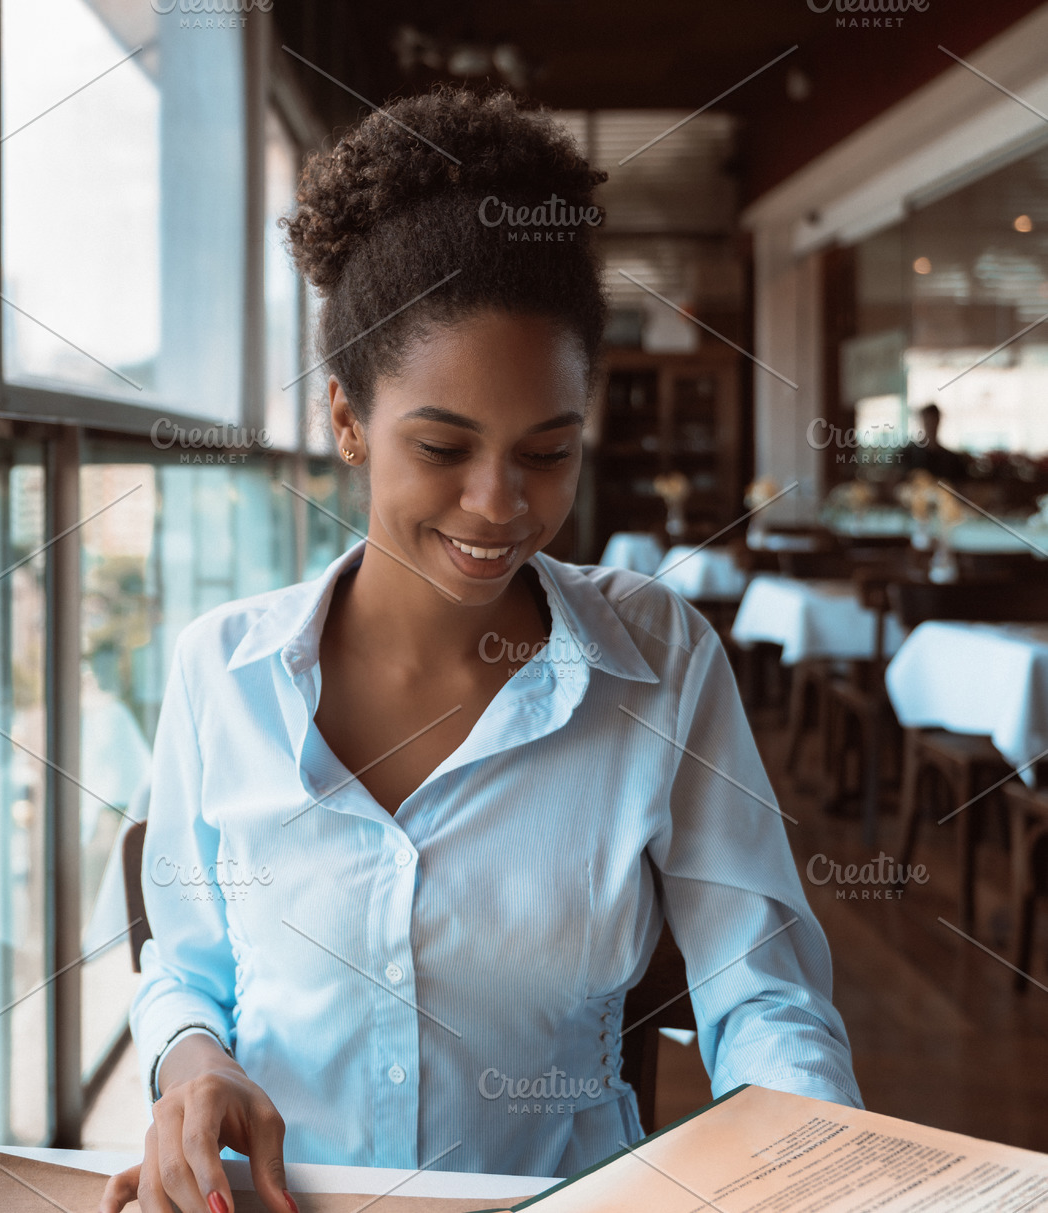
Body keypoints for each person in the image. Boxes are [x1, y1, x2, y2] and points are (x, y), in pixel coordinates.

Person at [100, 87, 859, 1213]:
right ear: (346, 421)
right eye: (443, 446)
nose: (498, 504)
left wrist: (818, 1171)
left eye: (546, 451)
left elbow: (760, 995)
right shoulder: (223, 670)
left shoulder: (658, 659)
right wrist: (191, 1059)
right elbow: (186, 966)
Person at [898, 404, 970, 480]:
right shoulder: (908, 455)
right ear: (922, 422)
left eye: (933, 420)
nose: (931, 424)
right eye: (928, 420)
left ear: (938, 421)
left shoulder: (951, 459)